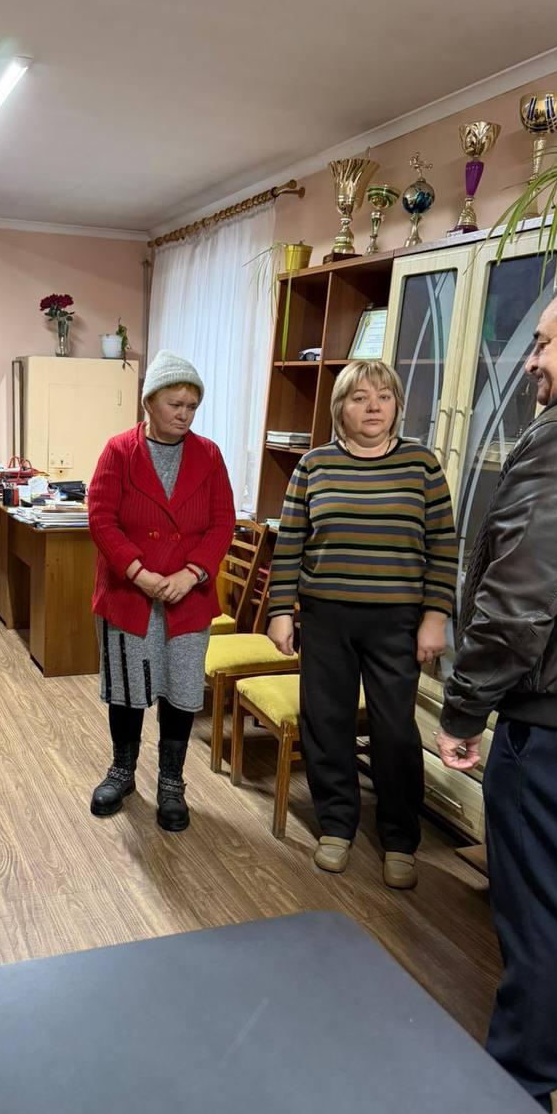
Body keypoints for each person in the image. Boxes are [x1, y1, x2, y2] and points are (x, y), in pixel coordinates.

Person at [436, 279, 557, 1113]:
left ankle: (517, 1096)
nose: (532, 360)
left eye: (543, 341)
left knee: (542, 911)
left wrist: (466, 707)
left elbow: (519, 600)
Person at [268, 360, 457, 889]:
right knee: (325, 723)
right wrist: (281, 611)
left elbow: (444, 547)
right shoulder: (313, 466)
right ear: (340, 408)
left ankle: (399, 837)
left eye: (383, 396)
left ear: (397, 405)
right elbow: (289, 546)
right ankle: (336, 825)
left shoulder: (422, 465)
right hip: (326, 617)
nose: (373, 406)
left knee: (394, 730)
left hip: (398, 621)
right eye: (359, 397)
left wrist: (435, 618)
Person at [87, 352, 235, 831]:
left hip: (187, 597)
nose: (185, 414)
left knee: (182, 688)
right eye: (175, 404)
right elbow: (101, 518)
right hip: (130, 594)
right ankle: (122, 771)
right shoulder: (119, 450)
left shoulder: (209, 455)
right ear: (149, 401)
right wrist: (138, 572)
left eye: (192, 406)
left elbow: (222, 523)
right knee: (127, 689)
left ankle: (171, 781)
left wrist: (192, 574)